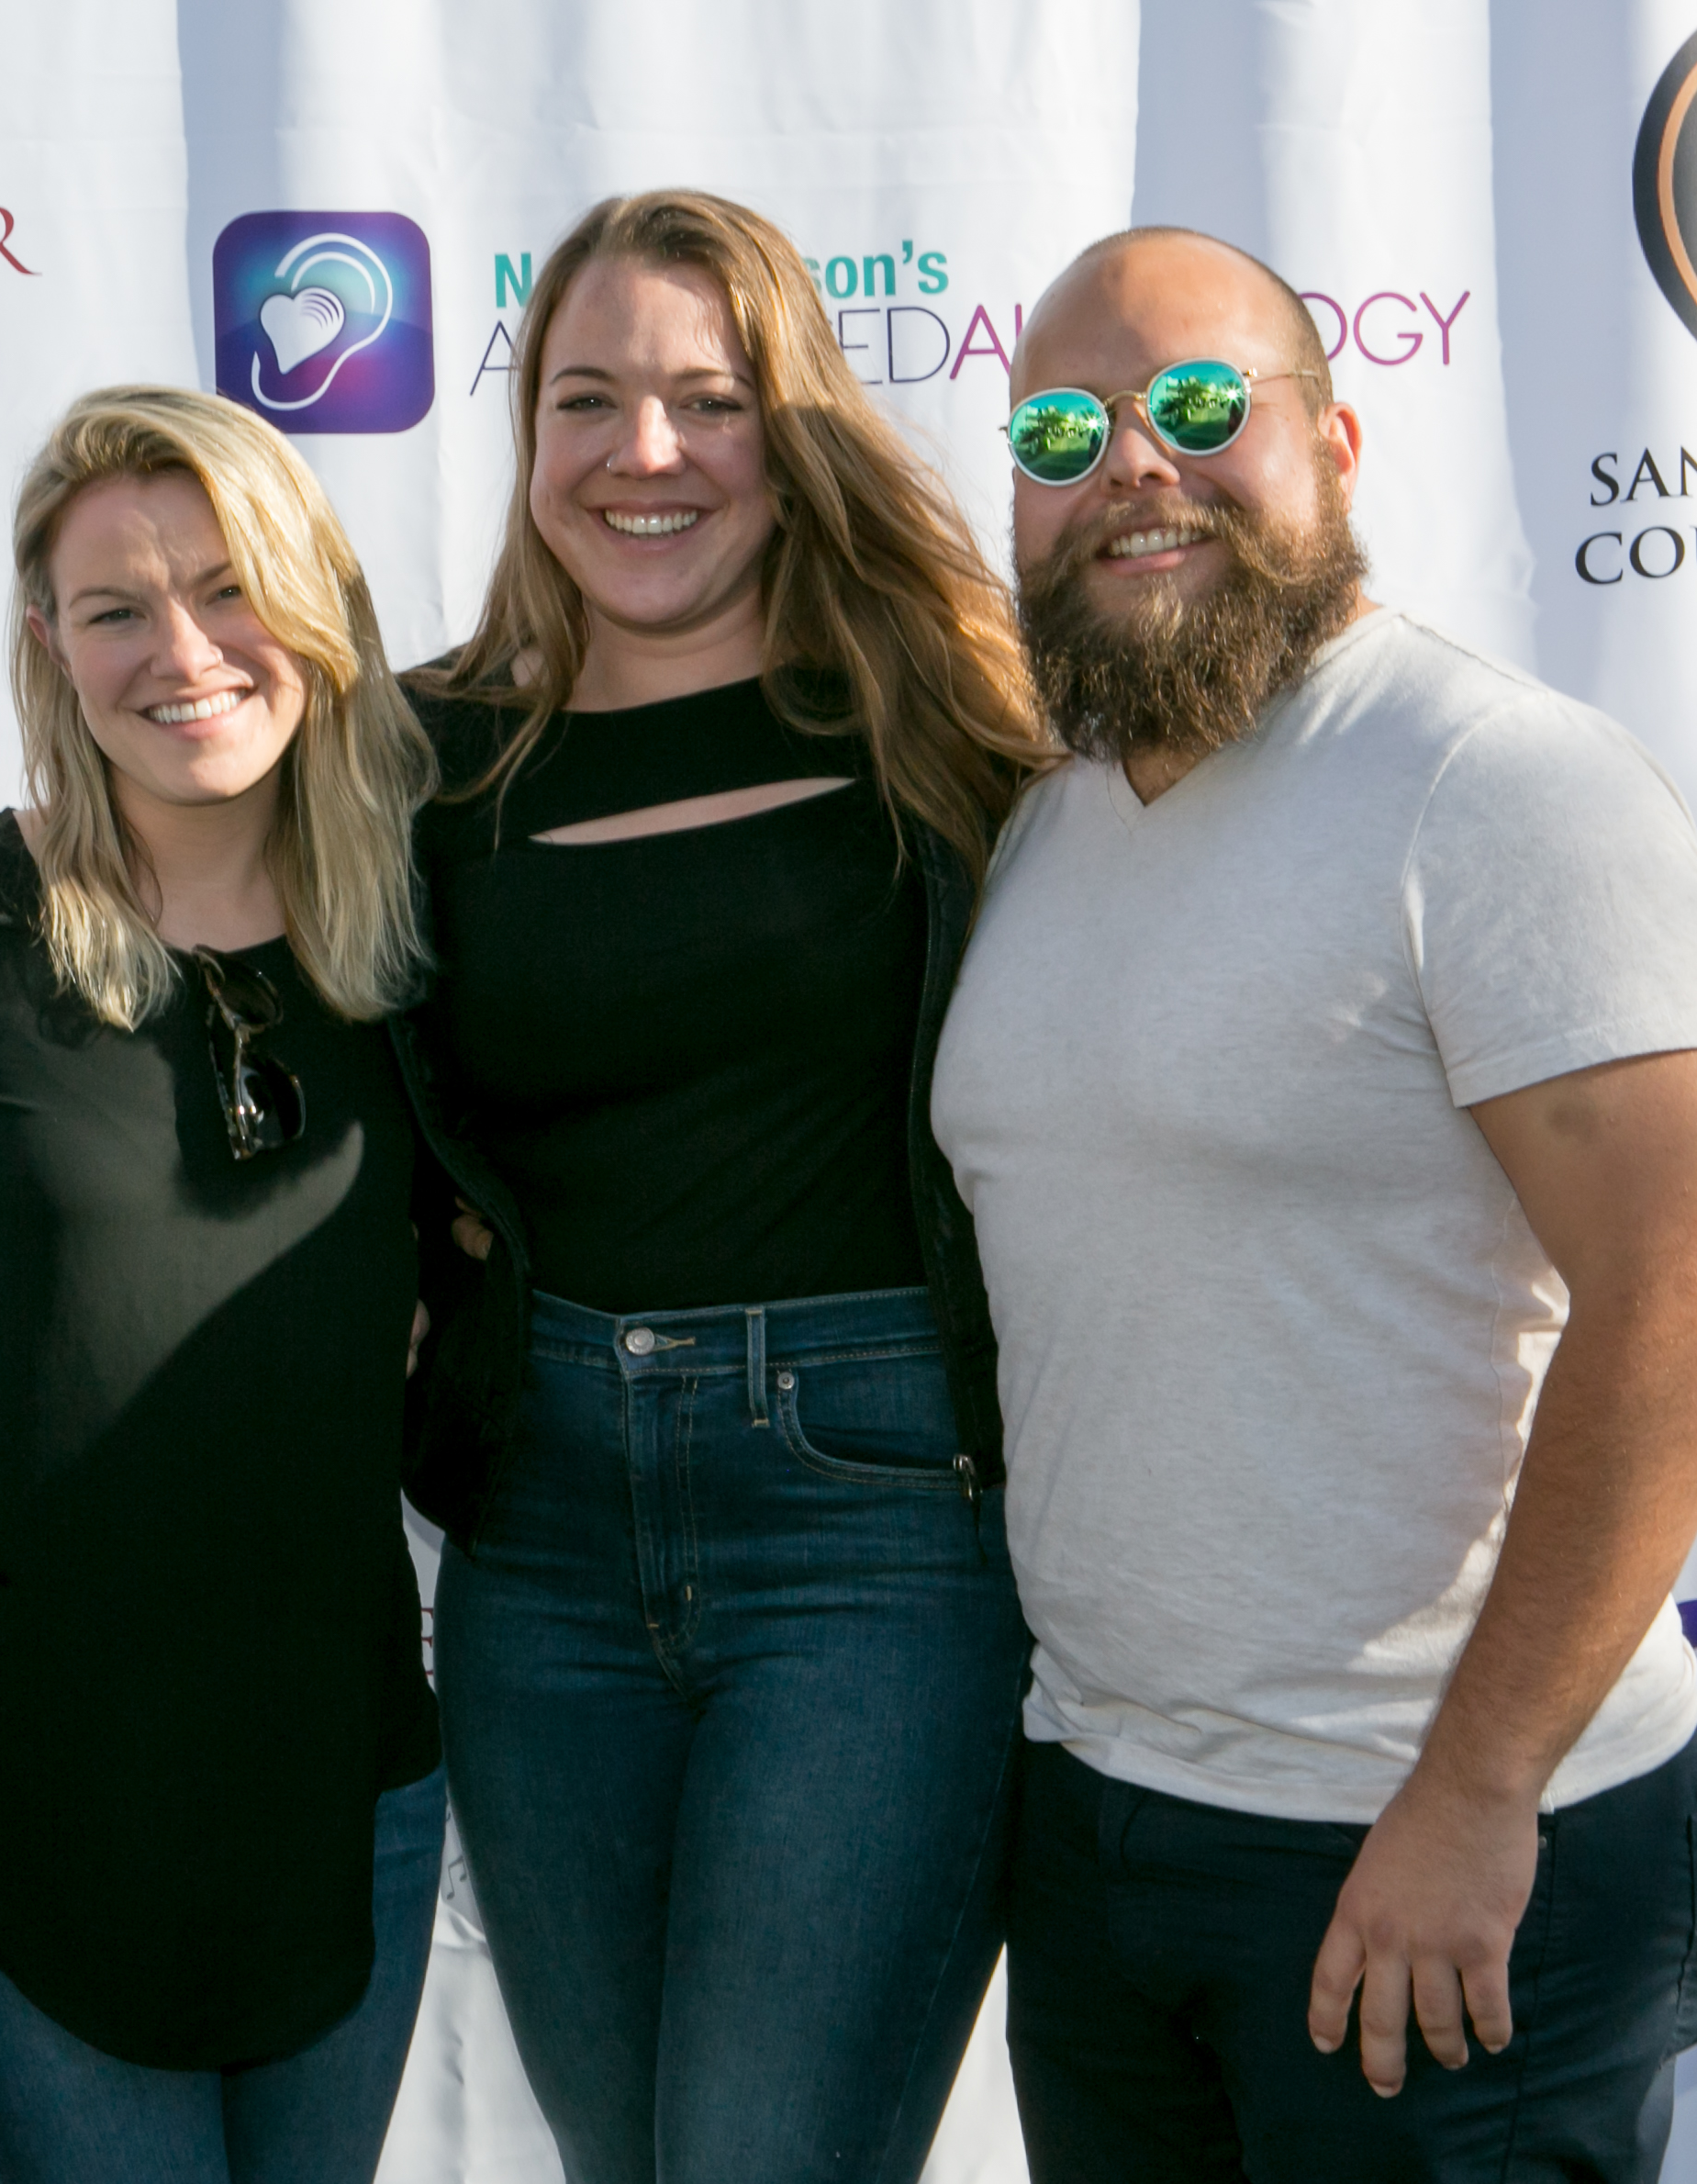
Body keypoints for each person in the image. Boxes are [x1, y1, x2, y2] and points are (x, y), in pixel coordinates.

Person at [931, 225, 1697, 2182]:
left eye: (1198, 405)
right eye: (1062, 430)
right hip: (1101, 1823)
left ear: (1333, 442)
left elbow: (1686, 1293)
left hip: (1435, 1841)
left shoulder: (1495, 783)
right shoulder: (1048, 823)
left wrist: (1477, 1792)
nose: (1132, 464)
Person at [396, 189, 1053, 2184]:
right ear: (527, 434)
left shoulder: (956, 733)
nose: (645, 451)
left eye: (708, 398)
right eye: (585, 398)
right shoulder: (412, 759)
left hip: (874, 1532)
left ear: (797, 428)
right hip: (536, 1545)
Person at [0, 386, 444, 2184]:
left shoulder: (422, 928)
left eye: (229, 586)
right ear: (48, 642)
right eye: (116, 608)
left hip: (342, 1788)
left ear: (315, 600)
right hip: (27, 1810)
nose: (182, 652)